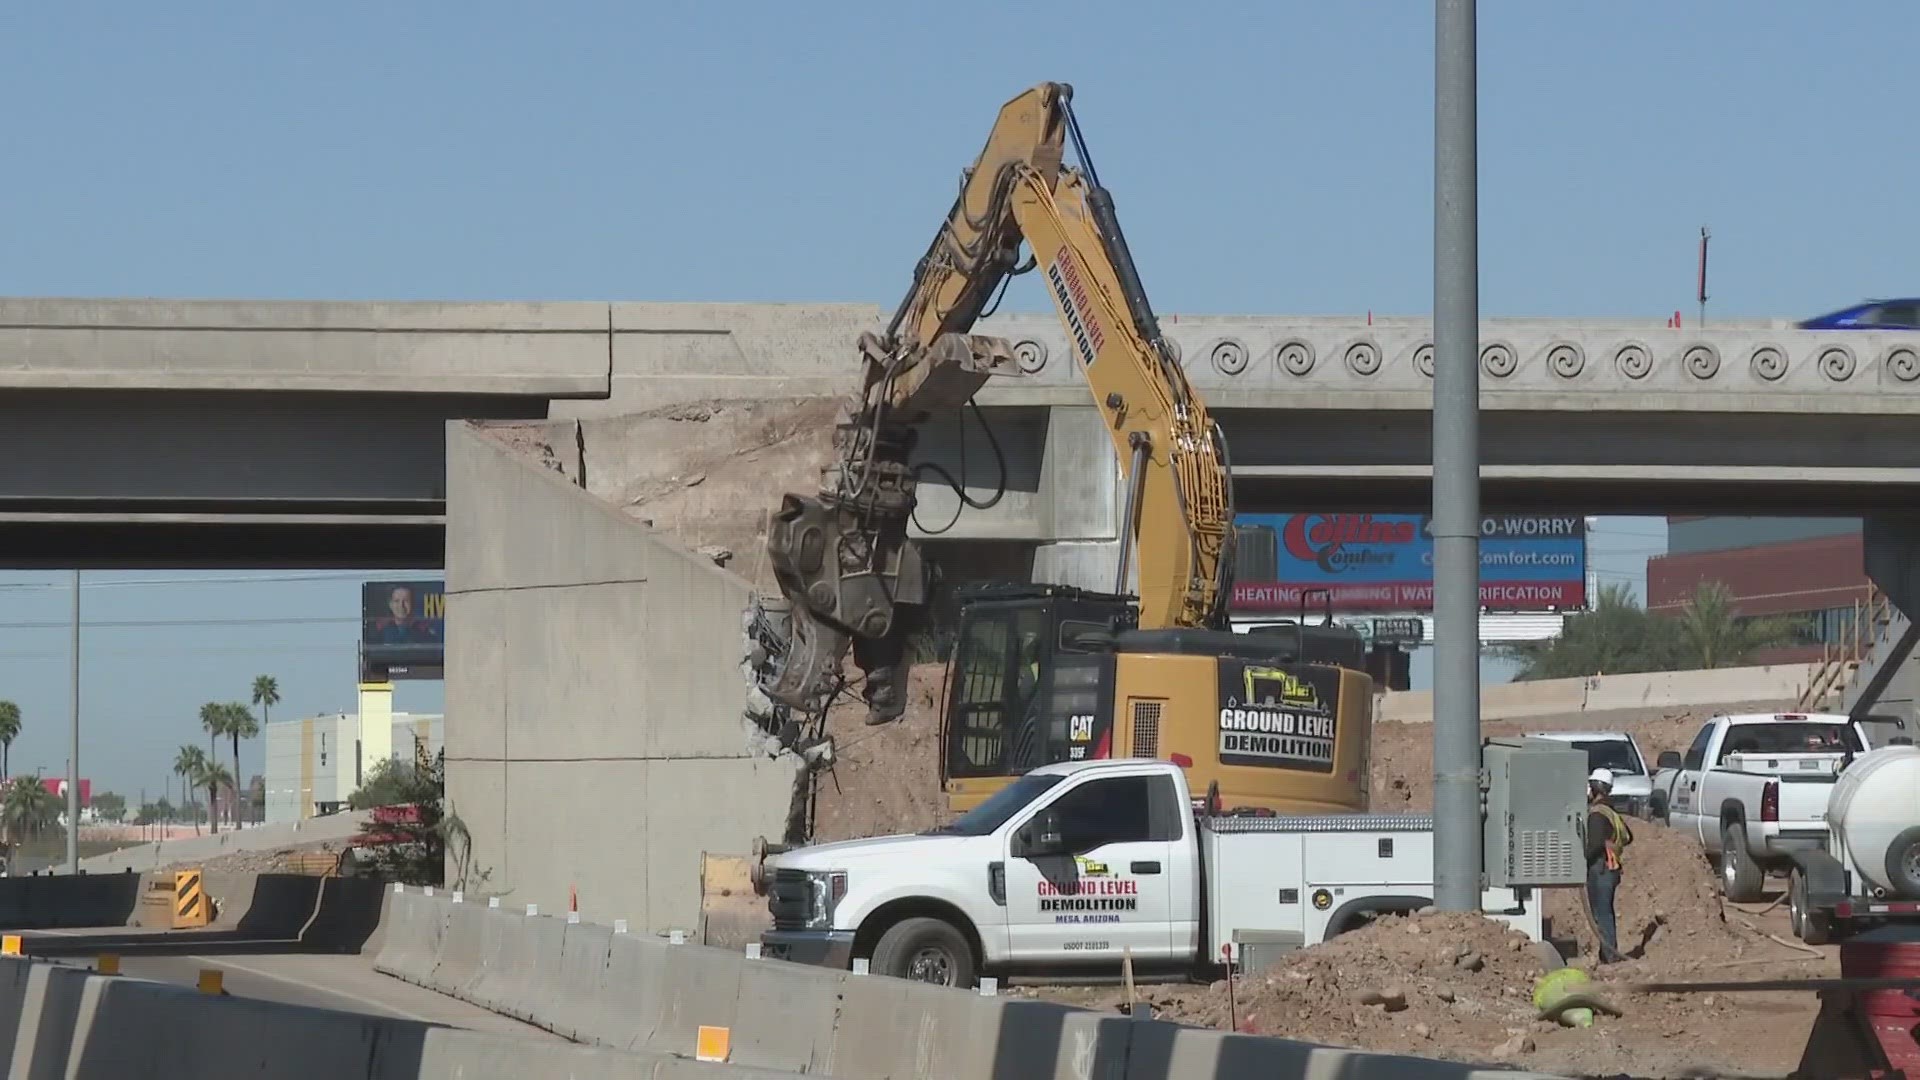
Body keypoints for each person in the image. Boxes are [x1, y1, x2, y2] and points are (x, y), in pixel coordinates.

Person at [1584, 768, 1631, 964]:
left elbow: (1594, 845)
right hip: (1610, 870)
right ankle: (1608, 955)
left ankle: (1610, 957)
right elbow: (1629, 836)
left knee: (1601, 914)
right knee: (1605, 912)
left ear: (1595, 789)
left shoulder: (1597, 814)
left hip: (1600, 869)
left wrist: (1582, 860)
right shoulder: (1611, 812)